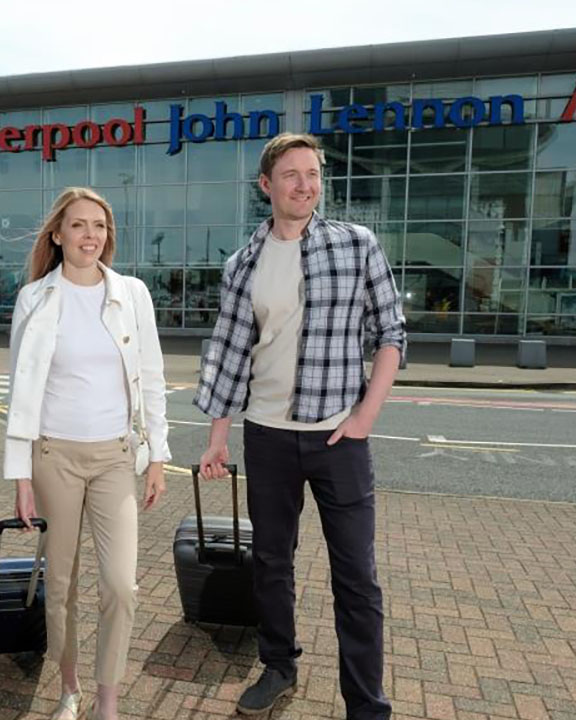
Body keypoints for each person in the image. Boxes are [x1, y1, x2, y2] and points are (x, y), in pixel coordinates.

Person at [194, 133, 406, 719]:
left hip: (340, 439)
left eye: (312, 174)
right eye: (291, 174)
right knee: (271, 563)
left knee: (357, 577)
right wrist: (218, 437)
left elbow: (391, 332)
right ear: (267, 185)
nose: (305, 185)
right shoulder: (243, 264)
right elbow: (229, 352)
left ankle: (366, 704)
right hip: (266, 436)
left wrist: (364, 417)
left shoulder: (356, 245)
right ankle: (279, 666)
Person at [6, 187, 170, 720]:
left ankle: (108, 700)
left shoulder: (132, 294)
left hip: (115, 456)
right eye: (78, 225)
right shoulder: (35, 298)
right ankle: (69, 688)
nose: (90, 235)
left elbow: (152, 378)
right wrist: (20, 476)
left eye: (99, 225)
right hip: (53, 455)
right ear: (58, 234)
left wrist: (159, 456)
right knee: (61, 584)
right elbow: (20, 392)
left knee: (121, 584)